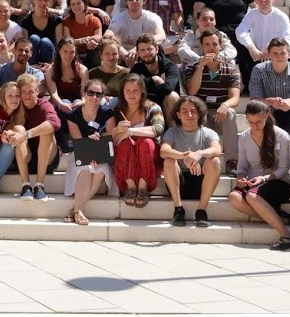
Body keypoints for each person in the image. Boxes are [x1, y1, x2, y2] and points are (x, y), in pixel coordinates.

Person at [228, 100, 290, 250]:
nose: (255, 126)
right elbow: (243, 165)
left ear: (266, 116)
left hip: (277, 182)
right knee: (234, 198)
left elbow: (284, 168)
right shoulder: (244, 137)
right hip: (254, 181)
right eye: (251, 122)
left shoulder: (281, 136)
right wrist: (240, 177)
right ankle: (280, 218)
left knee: (252, 196)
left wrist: (264, 178)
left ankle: (286, 235)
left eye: (258, 122)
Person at [184, 29, 242, 173]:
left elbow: (235, 97)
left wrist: (225, 104)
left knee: (230, 113)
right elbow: (192, 91)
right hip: (201, 114)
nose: (211, 48)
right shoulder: (192, 68)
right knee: (198, 114)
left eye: (215, 44)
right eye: (207, 44)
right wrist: (200, 66)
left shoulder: (231, 70)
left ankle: (232, 161)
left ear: (220, 46)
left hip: (220, 114)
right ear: (201, 47)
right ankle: (202, 160)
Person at [160, 95, 222, 227]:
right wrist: (185, 156)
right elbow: (164, 150)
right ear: (178, 115)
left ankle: (201, 211)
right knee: (169, 161)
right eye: (184, 111)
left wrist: (199, 153)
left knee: (215, 161)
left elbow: (217, 149)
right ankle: (178, 210)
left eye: (193, 111)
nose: (189, 115)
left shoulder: (208, 133)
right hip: (178, 183)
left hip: (201, 183)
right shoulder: (172, 132)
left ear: (199, 114)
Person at [64, 79, 117, 224]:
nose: (94, 97)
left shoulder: (107, 112)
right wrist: (90, 143)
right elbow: (78, 142)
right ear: (84, 93)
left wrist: (100, 136)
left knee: (100, 171)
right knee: (86, 169)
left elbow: (112, 134)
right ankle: (78, 211)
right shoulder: (73, 116)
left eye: (98, 94)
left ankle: (76, 209)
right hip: (81, 151)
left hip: (101, 152)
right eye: (90, 93)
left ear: (102, 96)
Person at [193, 0, 255, 71]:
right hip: (216, 34)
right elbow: (198, 11)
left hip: (240, 32)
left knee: (248, 57)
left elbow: (256, 9)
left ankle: (247, 82)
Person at [113, 74, 165, 209]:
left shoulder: (152, 107)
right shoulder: (118, 110)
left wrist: (131, 131)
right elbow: (114, 135)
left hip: (149, 154)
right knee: (125, 143)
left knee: (145, 142)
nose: (131, 94)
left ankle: (143, 187)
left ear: (142, 91)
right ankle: (130, 186)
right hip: (128, 154)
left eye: (135, 90)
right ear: (123, 92)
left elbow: (158, 128)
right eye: (128, 91)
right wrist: (118, 131)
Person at [11, 73, 60, 200]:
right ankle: (26, 186)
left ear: (37, 91)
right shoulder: (15, 105)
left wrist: (26, 135)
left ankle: (39, 186)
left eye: (31, 91)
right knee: (18, 129)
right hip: (25, 158)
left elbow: (55, 123)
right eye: (23, 91)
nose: (27, 95)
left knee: (46, 130)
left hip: (48, 159)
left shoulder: (44, 105)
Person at [235, 0, 290, 87]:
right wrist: (251, 47)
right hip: (257, 55)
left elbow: (287, 39)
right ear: (255, 0)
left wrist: (271, 48)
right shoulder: (252, 14)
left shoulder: (281, 17)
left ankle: (287, 85)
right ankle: (248, 87)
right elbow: (240, 31)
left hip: (274, 54)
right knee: (242, 48)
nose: (263, 0)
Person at [249, 38, 290, 132]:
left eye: (282, 53)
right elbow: (254, 99)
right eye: (275, 53)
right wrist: (270, 101)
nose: (279, 57)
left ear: (289, 54)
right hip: (267, 111)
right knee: (256, 110)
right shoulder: (259, 70)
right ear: (269, 54)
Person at [106, 0, 165, 66]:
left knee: (159, 49)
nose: (134, 1)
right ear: (126, 1)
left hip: (145, 54)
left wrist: (138, 49)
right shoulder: (118, 18)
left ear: (144, 1)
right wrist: (124, 53)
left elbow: (162, 36)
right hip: (123, 57)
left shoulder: (153, 17)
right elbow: (107, 36)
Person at [128, 33, 180, 117]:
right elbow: (130, 87)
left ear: (157, 49)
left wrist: (144, 88)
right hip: (147, 106)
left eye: (149, 49)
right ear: (138, 53)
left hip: (167, 106)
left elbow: (168, 88)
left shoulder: (170, 66)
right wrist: (153, 79)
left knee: (172, 95)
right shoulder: (136, 69)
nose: (146, 53)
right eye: (142, 50)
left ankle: (173, 126)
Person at [21, 0, 64, 69]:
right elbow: (25, 45)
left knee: (45, 41)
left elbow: (60, 43)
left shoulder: (56, 20)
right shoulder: (26, 21)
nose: (43, 3)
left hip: (50, 56)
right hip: (32, 58)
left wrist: (54, 63)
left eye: (46, 0)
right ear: (33, 0)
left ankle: (46, 66)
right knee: (34, 38)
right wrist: (28, 65)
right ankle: (33, 68)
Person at [63, 0, 103, 68]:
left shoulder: (95, 20)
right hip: (75, 52)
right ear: (70, 7)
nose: (76, 6)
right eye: (73, 4)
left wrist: (92, 41)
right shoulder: (67, 22)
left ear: (84, 3)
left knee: (95, 45)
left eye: (79, 3)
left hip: (90, 51)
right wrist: (86, 39)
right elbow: (68, 41)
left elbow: (99, 37)